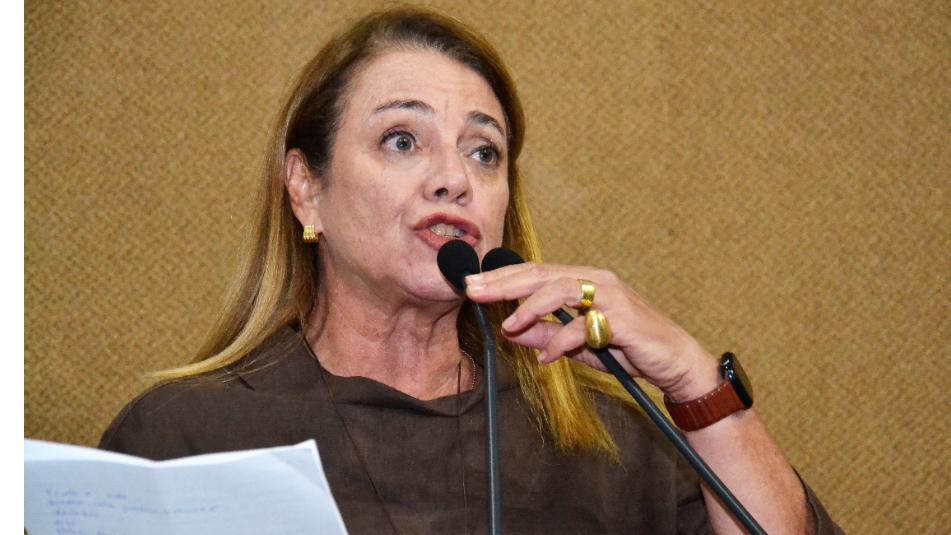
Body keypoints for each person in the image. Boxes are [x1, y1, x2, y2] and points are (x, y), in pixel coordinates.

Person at [100, 7, 841, 534]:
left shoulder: (609, 439)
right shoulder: (185, 436)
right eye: (402, 140)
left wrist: (693, 380)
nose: (453, 178)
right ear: (306, 187)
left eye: (483, 152)